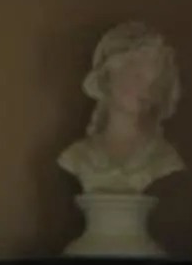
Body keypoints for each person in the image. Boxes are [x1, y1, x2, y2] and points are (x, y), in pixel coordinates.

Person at [56, 22, 184, 195]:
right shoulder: (78, 157)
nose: (146, 91)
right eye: (137, 77)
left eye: (153, 83)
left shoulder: (163, 158)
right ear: (110, 76)